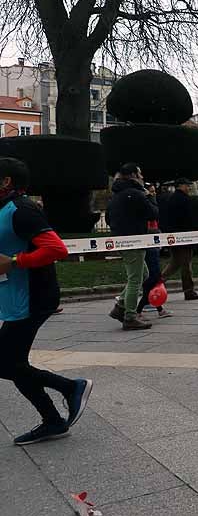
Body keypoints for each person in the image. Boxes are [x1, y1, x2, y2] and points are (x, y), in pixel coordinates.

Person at [0, 157, 92, 445]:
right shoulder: (6, 208)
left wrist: (14, 261)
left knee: (6, 363)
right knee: (11, 363)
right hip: (17, 297)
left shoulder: (22, 209)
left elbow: (57, 248)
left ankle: (70, 388)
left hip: (34, 297)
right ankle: (53, 419)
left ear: (6, 181)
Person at [107, 163, 158, 330]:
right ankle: (129, 315)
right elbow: (153, 213)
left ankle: (121, 305)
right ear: (133, 176)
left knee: (143, 273)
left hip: (121, 239)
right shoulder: (136, 194)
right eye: (140, 174)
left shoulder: (116, 194)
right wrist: (150, 196)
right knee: (136, 278)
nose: (143, 177)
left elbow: (108, 218)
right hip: (134, 241)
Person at [161, 178, 198, 301]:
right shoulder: (183, 200)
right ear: (180, 186)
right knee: (185, 265)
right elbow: (189, 219)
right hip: (184, 238)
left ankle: (157, 283)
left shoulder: (171, 199)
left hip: (174, 237)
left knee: (175, 263)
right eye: (187, 185)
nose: (189, 187)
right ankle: (188, 291)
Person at [137, 185, 171, 319]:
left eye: (154, 191)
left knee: (153, 278)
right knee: (153, 277)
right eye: (151, 191)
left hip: (154, 241)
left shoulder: (150, 202)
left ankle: (159, 309)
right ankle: (138, 310)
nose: (154, 193)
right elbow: (153, 213)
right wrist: (150, 198)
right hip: (148, 242)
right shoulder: (146, 204)